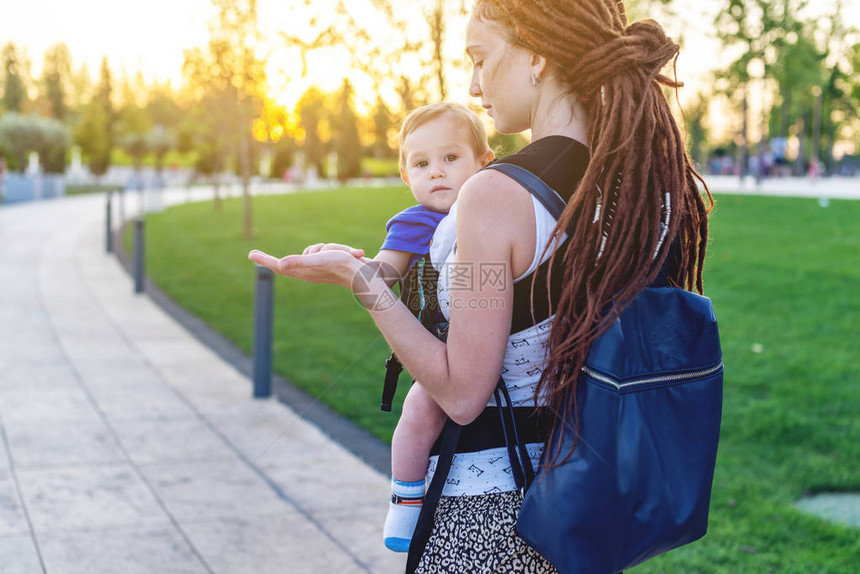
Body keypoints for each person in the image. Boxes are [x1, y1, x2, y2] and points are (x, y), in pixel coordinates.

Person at [249, 0, 712, 571]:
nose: (473, 85)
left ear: (537, 56)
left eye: (480, 58)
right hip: (589, 511)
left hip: (492, 518)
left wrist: (363, 281)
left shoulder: (494, 197)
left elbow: (463, 392)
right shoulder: (650, 189)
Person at [302, 102, 494, 552]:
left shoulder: (495, 213)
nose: (437, 173)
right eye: (422, 164)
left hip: (492, 331)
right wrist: (348, 262)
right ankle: (406, 497)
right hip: (438, 344)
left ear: (484, 162)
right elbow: (382, 275)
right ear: (406, 176)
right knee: (419, 414)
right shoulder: (413, 223)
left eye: (451, 158)